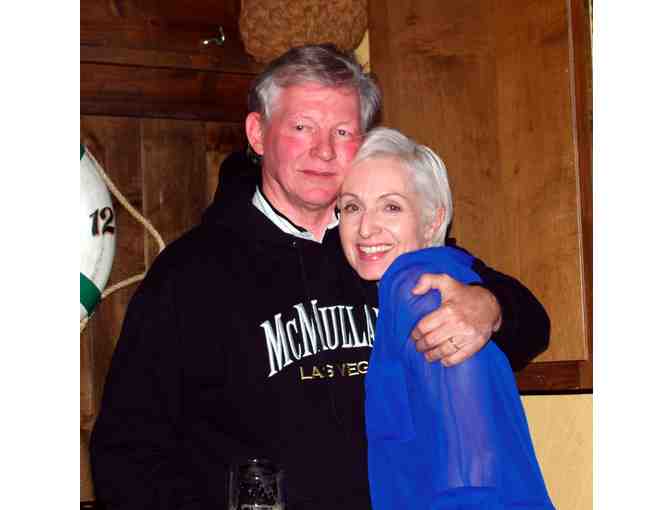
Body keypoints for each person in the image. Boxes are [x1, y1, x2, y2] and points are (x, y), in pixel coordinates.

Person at [90, 44, 550, 510]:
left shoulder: (385, 248)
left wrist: (490, 307)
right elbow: (125, 455)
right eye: (302, 127)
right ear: (258, 133)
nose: (324, 150)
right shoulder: (189, 274)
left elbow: (533, 328)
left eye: (342, 131)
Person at [338, 127, 555, 509]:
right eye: (352, 207)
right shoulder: (431, 280)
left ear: (432, 220)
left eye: (391, 207)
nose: (366, 227)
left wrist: (492, 305)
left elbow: (472, 480)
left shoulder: (423, 291)